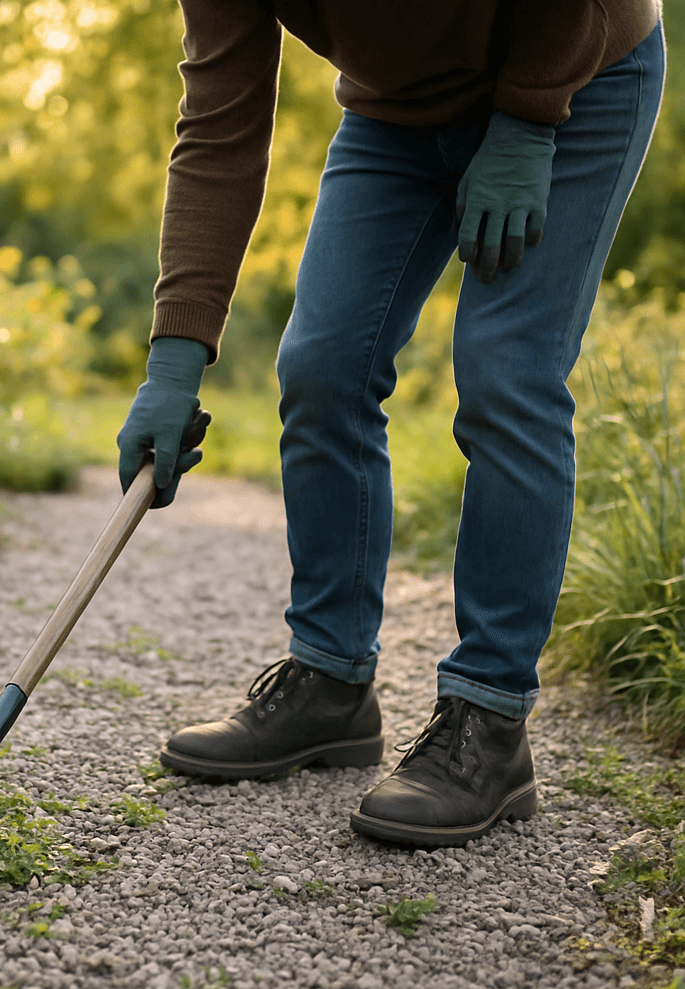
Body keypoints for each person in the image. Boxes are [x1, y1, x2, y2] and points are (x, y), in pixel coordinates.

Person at [116, 1, 665, 847]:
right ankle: (330, 681)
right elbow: (219, 125)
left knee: (507, 373)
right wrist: (174, 358)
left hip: (579, 69)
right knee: (322, 367)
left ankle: (489, 721)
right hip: (398, 113)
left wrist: (526, 117)